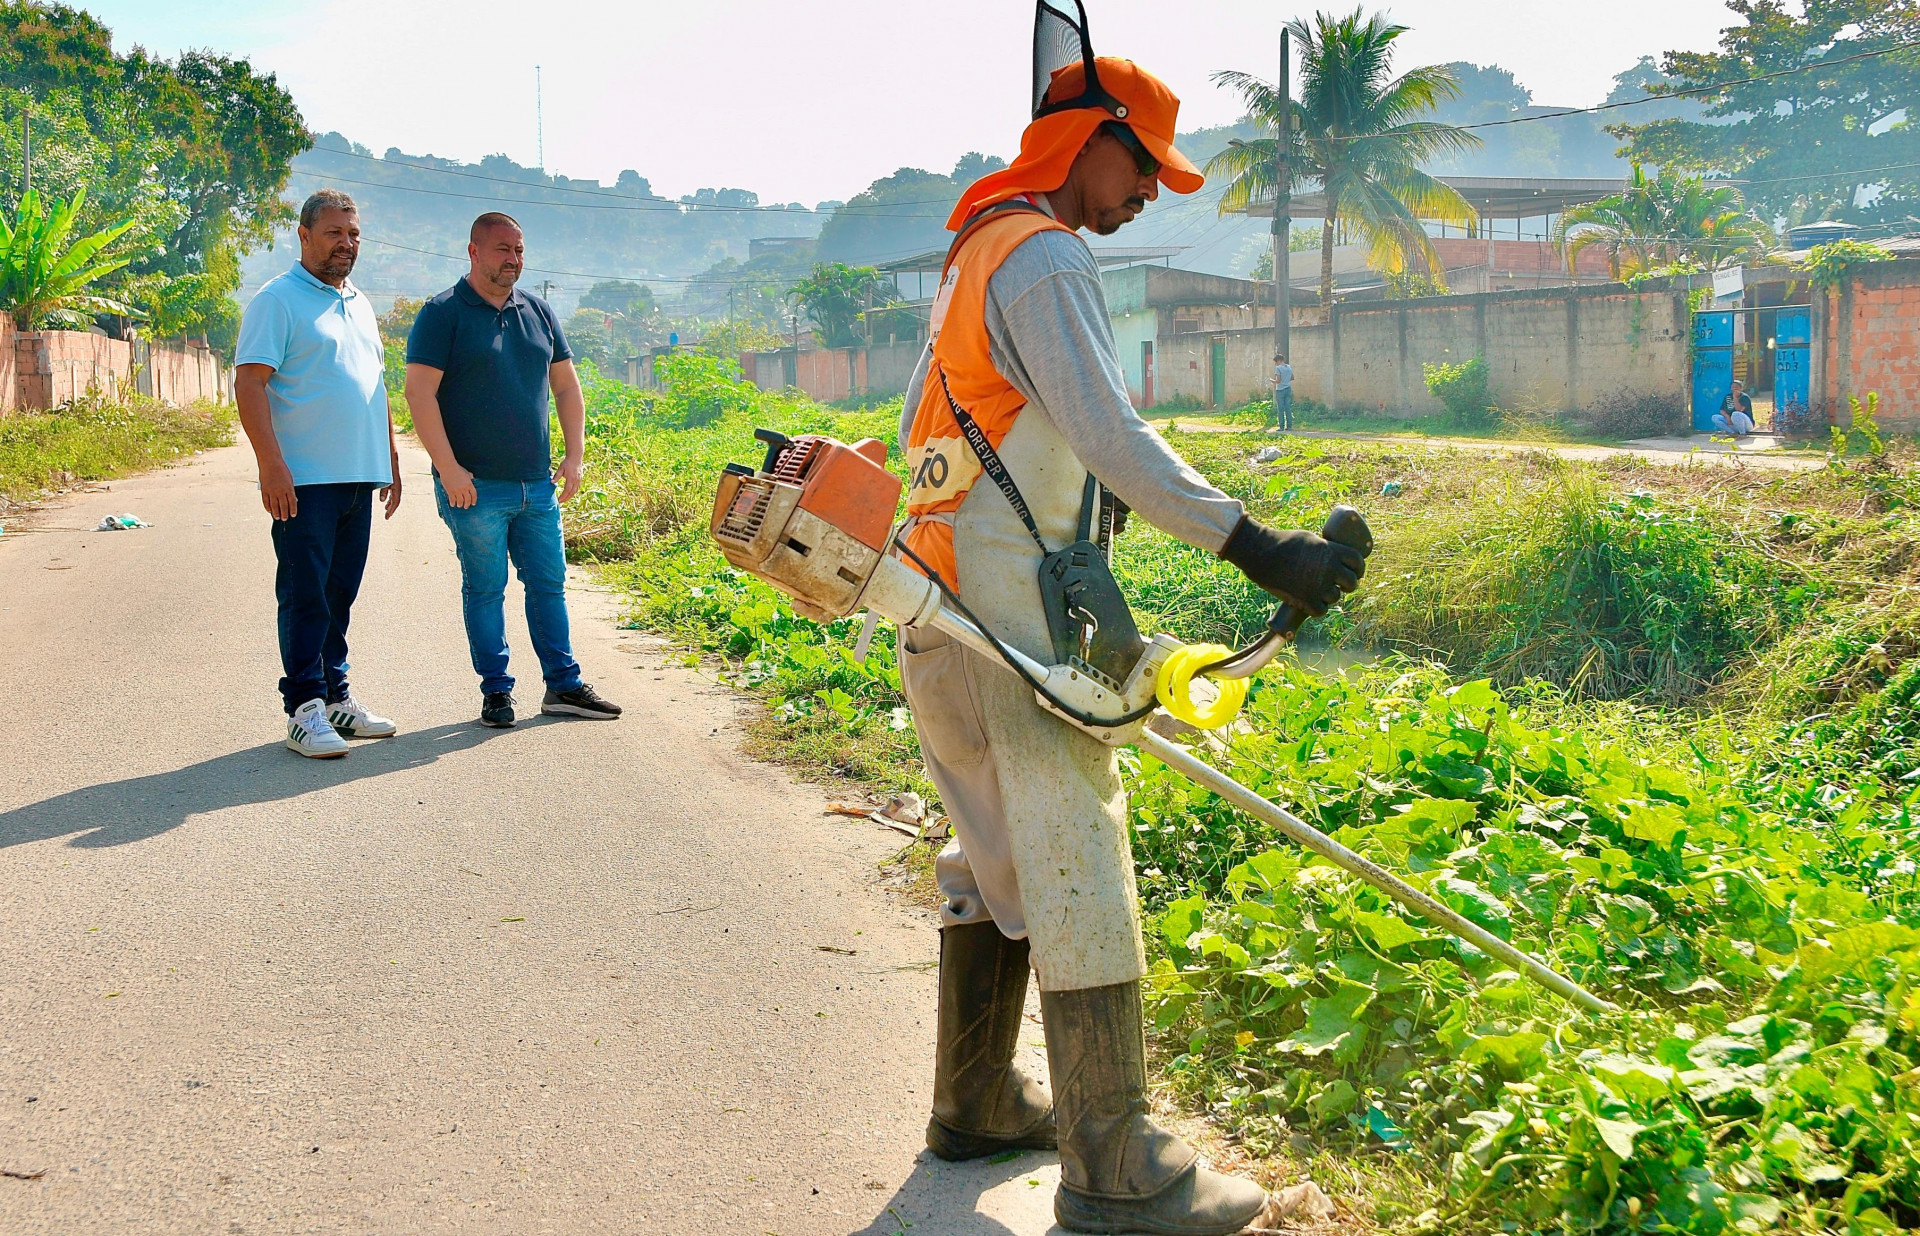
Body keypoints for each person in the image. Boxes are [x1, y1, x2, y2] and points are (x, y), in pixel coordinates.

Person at [894, 58, 1363, 1235]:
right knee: (1075, 858)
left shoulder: (976, 250)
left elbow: (918, 425)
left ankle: (978, 1097)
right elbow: (1110, 431)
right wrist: (1256, 545)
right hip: (1012, 627)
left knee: (989, 848)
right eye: (1144, 162)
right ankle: (1117, 1164)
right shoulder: (1045, 255)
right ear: (1090, 138)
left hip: (933, 602)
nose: (1152, 191)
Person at [404, 213, 621, 728]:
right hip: (475, 488)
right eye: (503, 249)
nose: (513, 260)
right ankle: (497, 692)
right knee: (485, 589)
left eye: (519, 250)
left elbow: (566, 387)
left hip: (537, 484)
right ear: (474, 251)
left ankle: (563, 687)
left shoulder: (538, 312)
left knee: (549, 585)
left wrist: (574, 455)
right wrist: (449, 470)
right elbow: (419, 393)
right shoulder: (442, 313)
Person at [234, 188, 402, 759]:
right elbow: (250, 383)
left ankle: (335, 699)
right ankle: (303, 708)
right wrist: (270, 464)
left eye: (353, 234)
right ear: (303, 236)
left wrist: (390, 459)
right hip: (304, 479)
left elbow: (373, 387)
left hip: (358, 476)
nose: (346, 244)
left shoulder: (359, 302)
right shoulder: (277, 300)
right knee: (305, 596)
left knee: (340, 595)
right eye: (334, 233)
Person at [1270, 351, 1295, 432]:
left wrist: (1272, 380)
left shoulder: (1278, 368)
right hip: (1288, 388)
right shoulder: (1289, 367)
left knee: (1280, 409)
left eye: (1276, 362)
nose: (1276, 364)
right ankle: (1289, 426)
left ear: (1279, 360)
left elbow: (1278, 380)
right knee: (1287, 408)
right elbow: (1292, 378)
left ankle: (1281, 426)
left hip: (1280, 390)